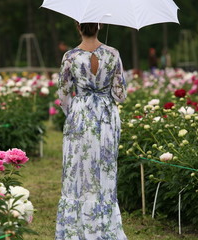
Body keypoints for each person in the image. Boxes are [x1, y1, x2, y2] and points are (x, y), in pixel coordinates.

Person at [55, 22, 128, 240]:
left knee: (77, 173)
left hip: (80, 116)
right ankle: (105, 229)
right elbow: (120, 95)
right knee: (104, 172)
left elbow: (63, 95)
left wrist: (76, 109)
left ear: (77, 25)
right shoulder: (113, 54)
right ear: (100, 25)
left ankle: (76, 231)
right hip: (106, 118)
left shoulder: (70, 56)